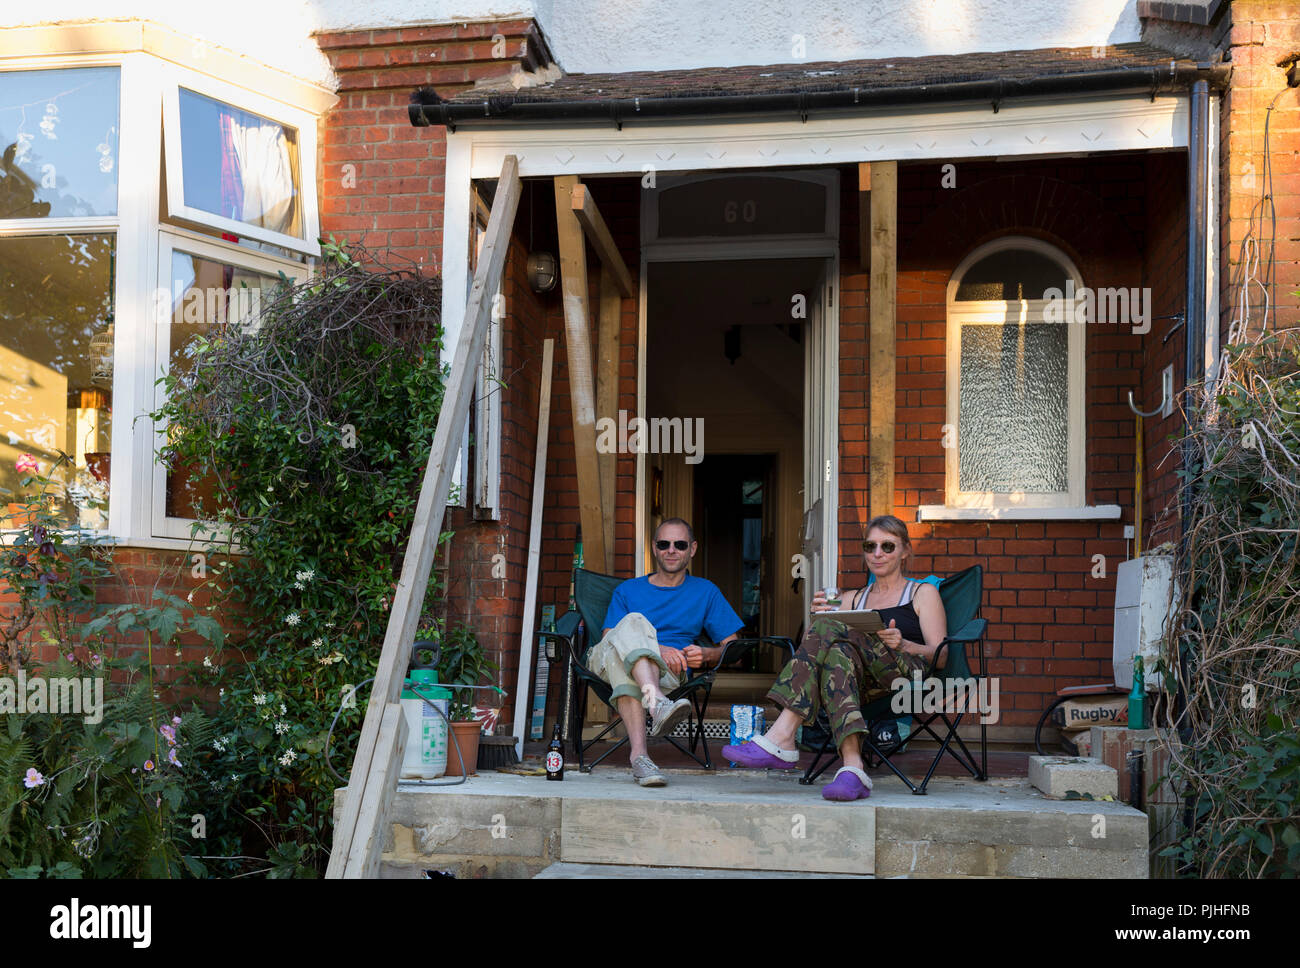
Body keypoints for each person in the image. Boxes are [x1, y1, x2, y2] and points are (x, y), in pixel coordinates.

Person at [722, 514, 948, 801]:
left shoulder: (921, 592)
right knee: (836, 655)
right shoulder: (851, 598)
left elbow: (940, 657)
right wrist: (816, 617)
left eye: (887, 547)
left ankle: (782, 735)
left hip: (905, 676)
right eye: (870, 546)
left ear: (905, 550)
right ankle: (853, 769)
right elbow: (813, 646)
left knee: (829, 628)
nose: (877, 554)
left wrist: (904, 644)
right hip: (860, 682)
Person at [591, 517, 744, 787]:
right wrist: (657, 648)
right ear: (654, 548)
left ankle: (640, 757)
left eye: (679, 544)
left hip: (666, 672)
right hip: (607, 658)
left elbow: (734, 648)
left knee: (629, 669)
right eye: (664, 544)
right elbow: (609, 638)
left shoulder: (705, 592)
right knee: (634, 621)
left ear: (692, 549)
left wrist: (708, 655)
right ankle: (659, 704)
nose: (671, 550)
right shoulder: (628, 590)